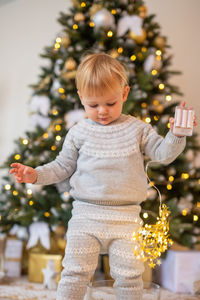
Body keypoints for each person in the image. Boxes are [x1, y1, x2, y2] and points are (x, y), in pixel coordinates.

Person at [10, 53, 197, 300]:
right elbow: (62, 166)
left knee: (130, 276)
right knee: (74, 273)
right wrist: (34, 174)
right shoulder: (78, 132)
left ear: (125, 93)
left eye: (110, 103)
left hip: (126, 218)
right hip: (86, 216)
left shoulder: (138, 129)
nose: (102, 112)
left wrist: (176, 135)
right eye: (93, 105)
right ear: (81, 98)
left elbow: (162, 154)